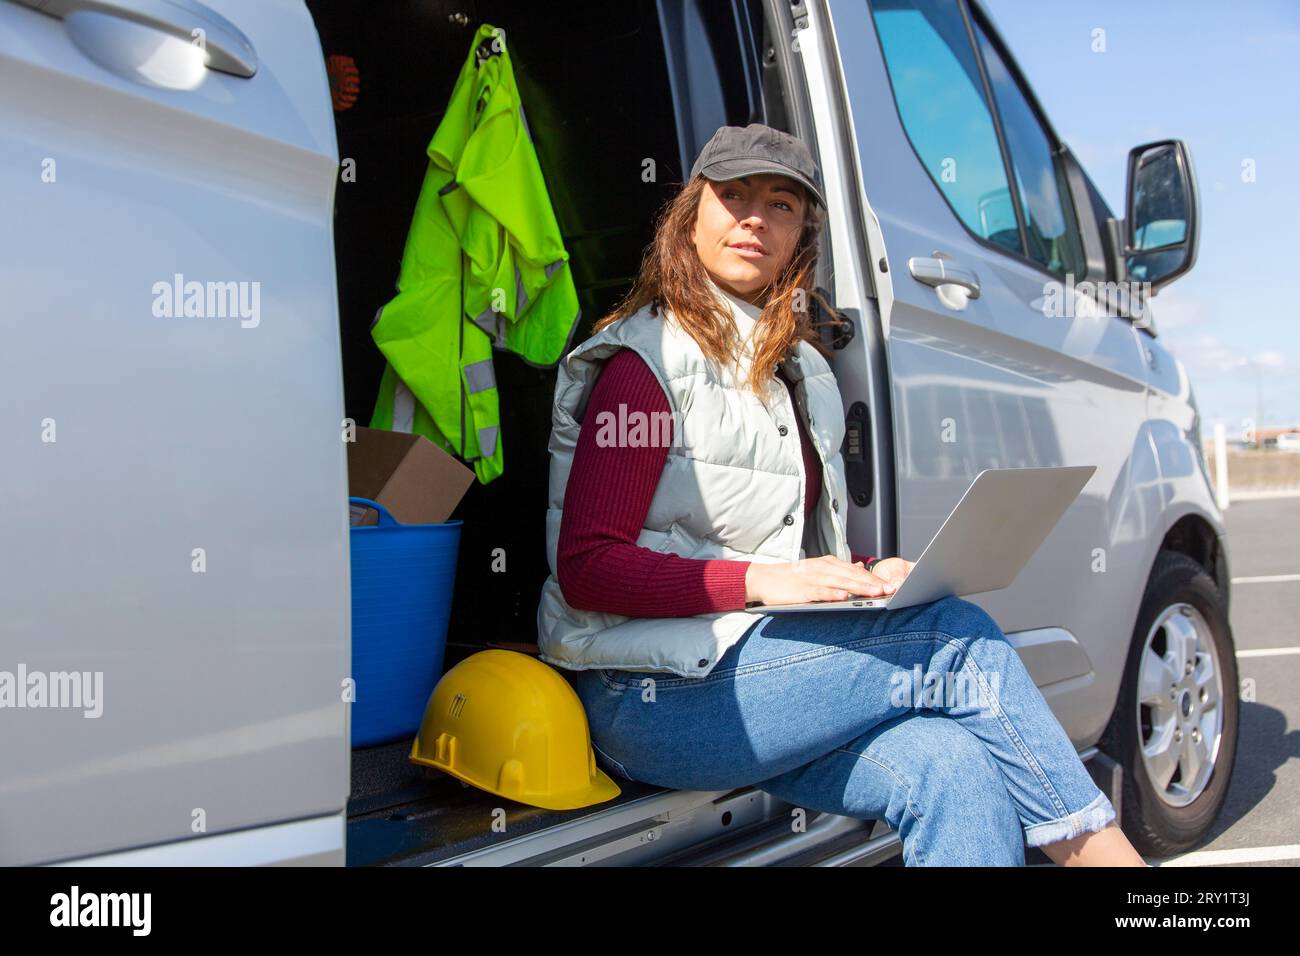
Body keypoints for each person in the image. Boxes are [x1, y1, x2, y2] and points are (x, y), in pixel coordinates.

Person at [538, 123, 1146, 866]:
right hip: (651, 696)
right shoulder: (644, 367)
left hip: (748, 674)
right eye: (732, 196)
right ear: (689, 215)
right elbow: (588, 567)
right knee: (954, 639)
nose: (755, 217)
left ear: (803, 237)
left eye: (782, 204)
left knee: (951, 765)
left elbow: (781, 547)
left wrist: (862, 574)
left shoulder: (795, 371)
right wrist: (771, 582)